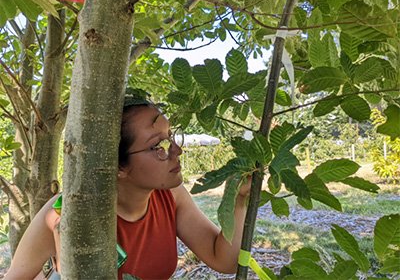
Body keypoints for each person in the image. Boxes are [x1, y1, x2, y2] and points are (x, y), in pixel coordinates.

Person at [5, 98, 250, 280]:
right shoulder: (64, 211)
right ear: (118, 166)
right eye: (159, 146)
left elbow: (224, 260)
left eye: (172, 137)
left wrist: (238, 202)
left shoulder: (170, 197)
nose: (177, 151)